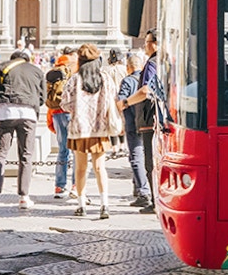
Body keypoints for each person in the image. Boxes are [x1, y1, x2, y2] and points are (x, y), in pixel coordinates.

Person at [61, 45, 124, 219]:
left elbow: (64, 104)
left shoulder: (74, 79)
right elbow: (115, 98)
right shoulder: (105, 78)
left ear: (80, 61)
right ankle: (105, 205)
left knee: (80, 169)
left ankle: (81, 205)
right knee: (99, 168)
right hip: (100, 129)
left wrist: (78, 108)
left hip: (79, 130)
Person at [0, 49, 45, 211]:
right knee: (26, 155)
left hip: (5, 112)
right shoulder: (37, 71)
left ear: (12, 59)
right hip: (28, 113)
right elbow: (42, 99)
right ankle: (24, 198)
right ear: (27, 60)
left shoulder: (2, 67)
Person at [121, 30, 167, 214]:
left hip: (150, 119)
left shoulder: (152, 63)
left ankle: (155, 202)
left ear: (155, 43)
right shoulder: (167, 61)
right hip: (164, 119)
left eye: (147, 42)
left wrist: (125, 102)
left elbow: (146, 89)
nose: (145, 45)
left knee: (150, 163)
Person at [117, 50, 152, 207]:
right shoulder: (147, 79)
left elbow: (120, 102)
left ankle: (143, 191)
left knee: (136, 157)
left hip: (132, 124)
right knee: (148, 157)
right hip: (148, 123)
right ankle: (142, 188)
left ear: (128, 67)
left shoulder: (127, 81)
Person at [48, 48, 78, 199]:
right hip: (72, 112)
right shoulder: (75, 66)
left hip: (57, 113)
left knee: (62, 150)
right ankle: (76, 185)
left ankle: (59, 186)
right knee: (76, 150)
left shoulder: (56, 68)